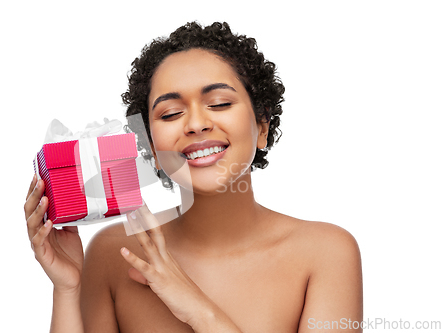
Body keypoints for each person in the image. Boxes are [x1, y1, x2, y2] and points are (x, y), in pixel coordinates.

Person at [24, 22, 363, 332]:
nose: (196, 124)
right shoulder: (115, 252)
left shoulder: (325, 252)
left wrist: (196, 308)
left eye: (218, 103)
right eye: (171, 113)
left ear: (262, 126)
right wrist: (67, 290)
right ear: (151, 147)